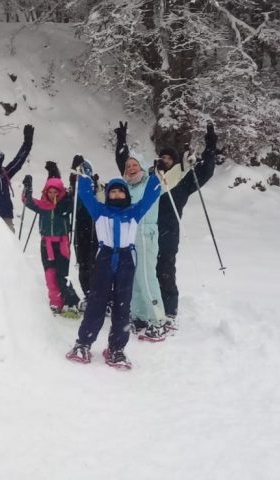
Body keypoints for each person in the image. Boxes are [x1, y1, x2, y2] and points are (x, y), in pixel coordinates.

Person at [66, 166, 161, 369]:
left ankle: (116, 348)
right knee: (96, 303)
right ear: (108, 194)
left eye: (120, 191)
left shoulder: (134, 211)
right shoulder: (100, 211)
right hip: (105, 258)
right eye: (112, 191)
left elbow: (150, 198)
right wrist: (85, 176)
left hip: (126, 259)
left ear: (126, 194)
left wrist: (155, 178)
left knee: (122, 306)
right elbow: (85, 194)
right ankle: (83, 343)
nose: (116, 194)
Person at [154, 123, 218, 327]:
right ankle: (148, 306)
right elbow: (127, 172)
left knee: (165, 270)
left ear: (174, 163)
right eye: (162, 157)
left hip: (168, 233)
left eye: (169, 158)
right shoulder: (150, 179)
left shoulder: (182, 182)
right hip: (146, 232)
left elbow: (205, 171)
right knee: (145, 270)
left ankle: (170, 311)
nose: (165, 160)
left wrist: (210, 146)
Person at [114, 142, 168, 342]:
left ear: (142, 166)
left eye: (134, 165)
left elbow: (162, 185)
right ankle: (140, 316)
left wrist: (158, 172)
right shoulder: (126, 186)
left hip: (146, 233)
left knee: (146, 277)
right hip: (130, 235)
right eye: (128, 166)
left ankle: (158, 320)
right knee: (135, 277)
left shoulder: (151, 181)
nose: (131, 168)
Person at [22, 162, 81, 317]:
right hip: (46, 244)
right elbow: (27, 201)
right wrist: (27, 188)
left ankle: (72, 302)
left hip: (62, 243)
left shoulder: (65, 205)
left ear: (60, 192)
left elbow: (77, 203)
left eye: (56, 192)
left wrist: (75, 184)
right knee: (50, 275)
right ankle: (56, 302)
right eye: (50, 192)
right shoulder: (42, 205)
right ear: (46, 192)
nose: (53, 195)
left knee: (63, 275)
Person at [68, 155, 101, 305]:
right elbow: (72, 199)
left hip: (95, 229)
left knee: (95, 263)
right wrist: (74, 177)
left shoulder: (97, 188)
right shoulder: (74, 190)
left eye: (86, 171)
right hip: (80, 230)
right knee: (83, 263)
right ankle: (89, 294)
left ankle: (99, 294)